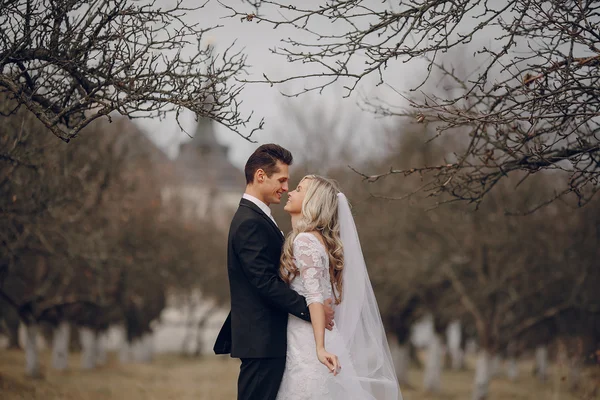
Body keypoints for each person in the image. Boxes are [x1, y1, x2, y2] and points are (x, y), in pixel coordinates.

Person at [213, 144, 335, 400]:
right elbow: (264, 282)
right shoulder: (249, 222)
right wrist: (310, 310)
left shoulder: (259, 218)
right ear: (260, 176)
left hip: (269, 340)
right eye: (281, 180)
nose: (285, 187)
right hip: (262, 342)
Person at [276, 175, 402, 400]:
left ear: (312, 201)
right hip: (313, 335)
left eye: (298, 189)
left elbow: (315, 296)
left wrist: (319, 348)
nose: (290, 192)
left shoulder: (305, 241)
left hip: (308, 341)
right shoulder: (319, 241)